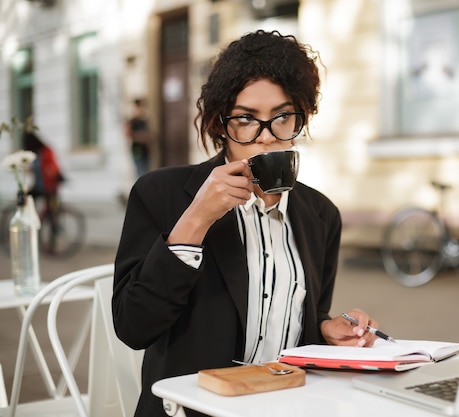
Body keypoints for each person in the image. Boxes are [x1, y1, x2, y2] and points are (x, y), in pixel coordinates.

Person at [113, 30, 381, 417]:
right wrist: (197, 219)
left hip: (290, 404)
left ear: (301, 117)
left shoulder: (320, 215)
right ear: (221, 125)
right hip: (191, 410)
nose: (266, 138)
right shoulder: (164, 194)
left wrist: (323, 329)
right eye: (245, 120)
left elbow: (301, 321)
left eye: (283, 118)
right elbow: (133, 327)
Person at [23, 131, 64, 253]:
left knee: (52, 216)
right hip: (38, 187)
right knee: (26, 205)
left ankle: (52, 245)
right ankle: (30, 229)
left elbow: (54, 167)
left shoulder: (46, 151)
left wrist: (54, 174)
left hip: (50, 187)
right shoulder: (33, 154)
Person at [125, 98, 152, 178]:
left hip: (145, 150)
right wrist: (141, 137)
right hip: (137, 149)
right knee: (139, 172)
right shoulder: (132, 121)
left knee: (145, 171)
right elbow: (128, 134)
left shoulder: (144, 121)